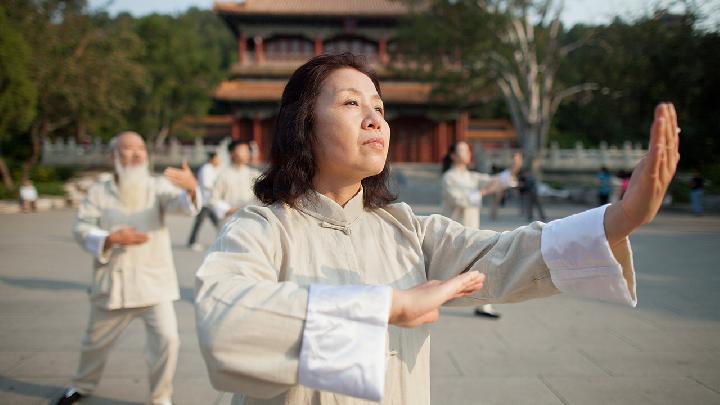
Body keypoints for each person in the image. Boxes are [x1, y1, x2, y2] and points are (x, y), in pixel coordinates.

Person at [194, 53, 680, 405]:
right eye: (350, 104)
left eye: (380, 108)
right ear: (301, 125)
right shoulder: (264, 226)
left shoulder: (405, 228)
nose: (374, 119)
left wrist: (623, 217)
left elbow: (506, 255)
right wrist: (390, 305)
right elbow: (223, 322)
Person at [56, 131, 201, 405]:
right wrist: (109, 238)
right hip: (114, 284)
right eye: (127, 148)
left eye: (140, 148)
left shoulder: (157, 186)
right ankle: (81, 385)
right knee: (94, 345)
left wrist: (191, 189)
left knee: (168, 341)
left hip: (153, 283)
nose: (135, 154)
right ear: (113, 156)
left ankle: (161, 397)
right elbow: (81, 227)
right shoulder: (99, 191)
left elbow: (182, 205)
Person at [441, 142, 521, 319]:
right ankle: (424, 299)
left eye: (468, 150)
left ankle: (483, 305)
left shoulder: (471, 177)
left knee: (482, 267)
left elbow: (493, 181)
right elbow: (458, 200)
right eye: (463, 150)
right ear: (453, 156)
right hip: (454, 233)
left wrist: (513, 169)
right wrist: (482, 192)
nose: (468, 153)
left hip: (471, 231)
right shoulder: (449, 177)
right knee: (442, 269)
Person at [210, 140, 261, 220]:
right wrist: (229, 210)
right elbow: (214, 200)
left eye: (247, 151)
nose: (246, 154)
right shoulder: (223, 175)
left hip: (251, 219)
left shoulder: (255, 174)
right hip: (231, 220)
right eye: (242, 150)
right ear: (232, 153)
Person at [187, 151, 222, 251]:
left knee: (218, 222)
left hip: (211, 201)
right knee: (201, 222)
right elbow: (206, 185)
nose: (219, 161)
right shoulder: (206, 169)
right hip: (205, 201)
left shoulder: (214, 169)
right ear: (212, 159)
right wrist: (218, 189)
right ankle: (192, 242)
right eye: (217, 159)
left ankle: (223, 240)